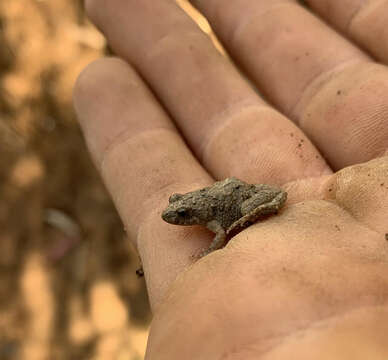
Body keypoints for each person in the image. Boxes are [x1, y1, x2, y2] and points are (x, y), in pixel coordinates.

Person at [73, 1, 388, 358]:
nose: (175, 218)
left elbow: (221, 234)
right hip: (230, 189)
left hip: (242, 197)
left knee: (253, 206)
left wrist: (211, 251)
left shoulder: (208, 219)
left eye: (180, 215)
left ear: (194, 215)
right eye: (179, 213)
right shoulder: (196, 213)